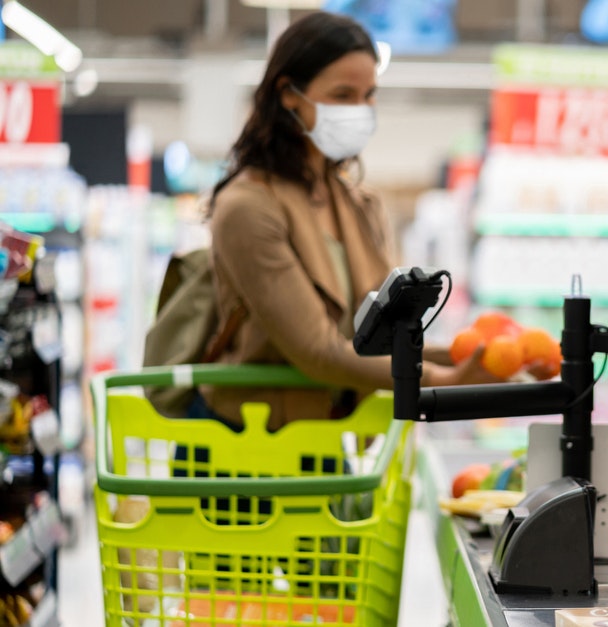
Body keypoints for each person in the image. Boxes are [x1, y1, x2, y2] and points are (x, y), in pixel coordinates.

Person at [199, 11, 500, 431]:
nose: (361, 110)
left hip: (329, 437)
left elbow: (377, 338)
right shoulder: (248, 207)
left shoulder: (356, 203)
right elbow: (317, 350)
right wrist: (438, 378)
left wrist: (477, 356)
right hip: (250, 447)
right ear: (289, 94)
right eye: (343, 95)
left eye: (368, 94)